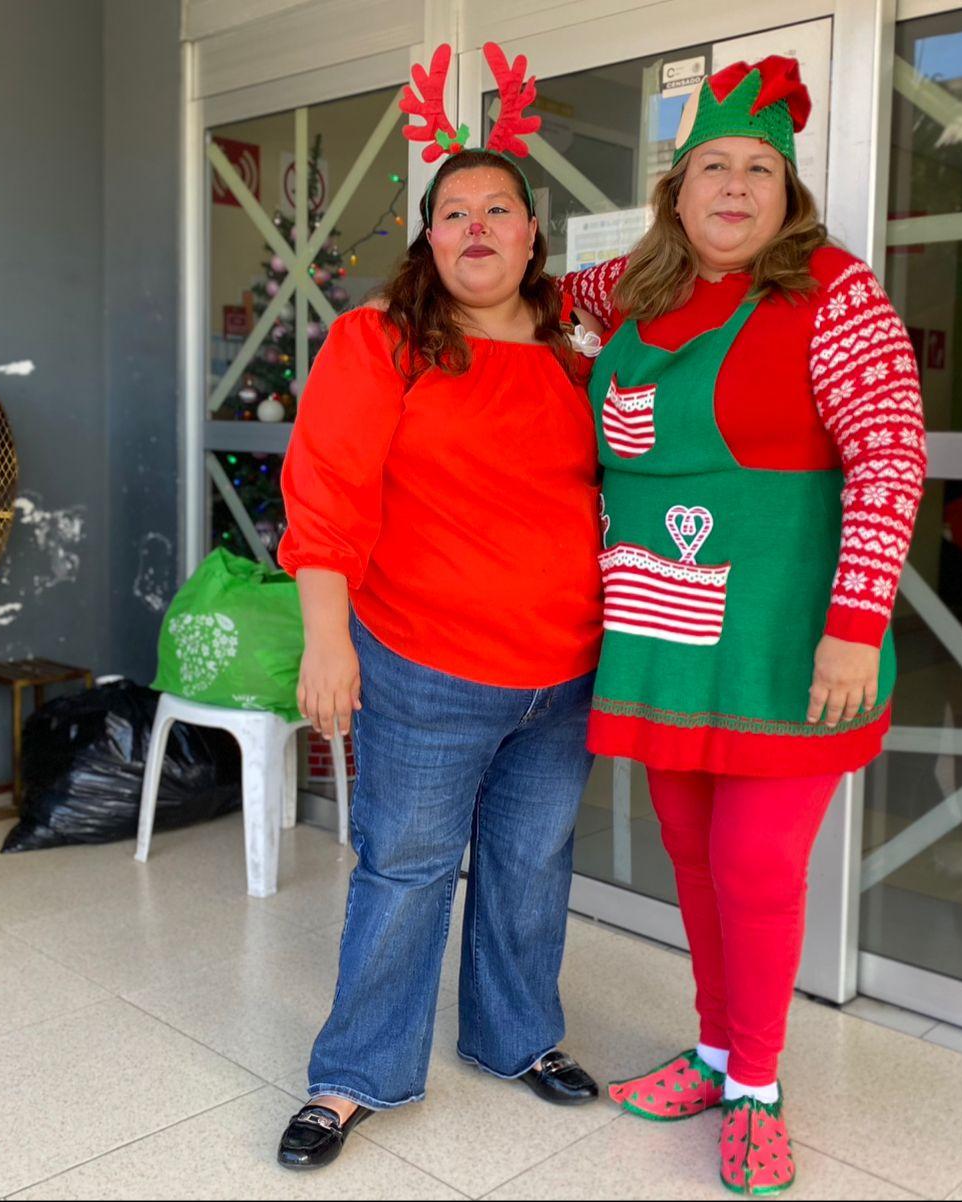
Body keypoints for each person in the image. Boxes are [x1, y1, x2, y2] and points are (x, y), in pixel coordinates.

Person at [562, 56, 926, 1194]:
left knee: (755, 862)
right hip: (664, 629)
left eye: (757, 168)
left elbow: (888, 454)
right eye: (711, 164)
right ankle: (713, 1049)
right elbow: (538, 295)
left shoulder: (833, 294)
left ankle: (757, 1087)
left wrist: (855, 623)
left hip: (786, 637)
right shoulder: (637, 290)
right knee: (690, 855)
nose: (733, 184)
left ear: (788, 192)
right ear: (675, 192)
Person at [272, 43, 604, 1172]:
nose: (475, 227)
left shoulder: (573, 360)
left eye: (497, 209)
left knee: (531, 863)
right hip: (422, 661)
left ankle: (516, 1038)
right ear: (429, 237)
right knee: (404, 871)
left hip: (562, 672)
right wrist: (328, 639)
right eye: (452, 211)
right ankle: (355, 1073)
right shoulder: (382, 343)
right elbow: (325, 496)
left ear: (528, 237)